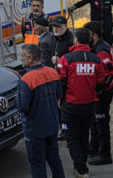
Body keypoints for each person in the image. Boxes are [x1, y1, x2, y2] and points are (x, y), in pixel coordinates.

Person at [58, 28, 108, 178]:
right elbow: (101, 81)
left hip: (70, 105)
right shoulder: (95, 59)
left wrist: (59, 100)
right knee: (83, 136)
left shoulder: (66, 58)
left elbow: (60, 81)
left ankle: (81, 169)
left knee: (72, 138)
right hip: (89, 104)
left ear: (76, 40)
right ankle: (81, 166)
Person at [17, 44, 66, 178]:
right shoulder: (52, 72)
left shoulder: (26, 80)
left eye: (22, 56)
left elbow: (22, 106)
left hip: (34, 129)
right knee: (55, 160)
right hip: (51, 125)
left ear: (31, 58)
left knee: (37, 165)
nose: (21, 59)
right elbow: (58, 94)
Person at [85, 21, 113, 166]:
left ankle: (105, 154)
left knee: (101, 124)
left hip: (102, 93)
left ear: (94, 35)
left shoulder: (101, 50)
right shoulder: (97, 47)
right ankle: (93, 148)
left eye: (88, 33)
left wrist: (99, 89)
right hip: (98, 93)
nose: (86, 36)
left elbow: (110, 72)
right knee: (94, 122)